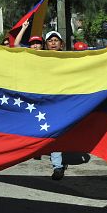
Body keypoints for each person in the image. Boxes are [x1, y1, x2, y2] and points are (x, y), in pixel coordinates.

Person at [44, 30, 67, 180]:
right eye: (50, 40)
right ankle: (57, 165)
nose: (53, 43)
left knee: (58, 131)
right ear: (46, 45)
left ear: (61, 44)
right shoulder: (39, 59)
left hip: (63, 101)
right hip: (45, 101)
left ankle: (58, 164)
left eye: (56, 40)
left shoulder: (70, 60)